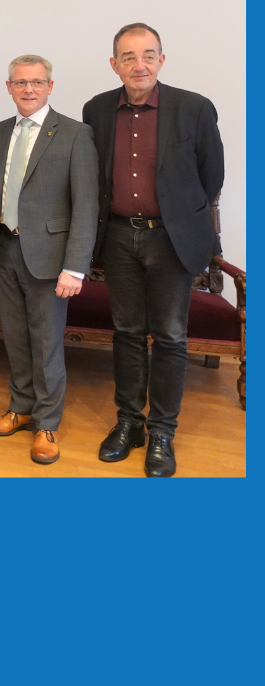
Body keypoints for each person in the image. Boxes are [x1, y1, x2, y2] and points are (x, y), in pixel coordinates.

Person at [83, 23, 224, 477]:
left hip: (171, 239)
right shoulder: (96, 110)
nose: (138, 65)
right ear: (114, 64)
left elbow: (211, 177)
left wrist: (180, 217)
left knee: (169, 335)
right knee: (125, 332)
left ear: (161, 60)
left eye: (148, 55)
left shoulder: (194, 108)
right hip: (118, 237)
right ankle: (130, 422)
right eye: (128, 57)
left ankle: (162, 431)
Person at [0, 55, 98, 465]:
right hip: (4, 250)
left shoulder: (75, 134)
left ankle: (47, 423)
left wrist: (75, 267)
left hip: (50, 258)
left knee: (46, 343)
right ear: (8, 87)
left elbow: (86, 205)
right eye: (20, 82)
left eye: (37, 82)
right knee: (15, 337)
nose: (29, 89)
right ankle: (20, 408)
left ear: (50, 86)